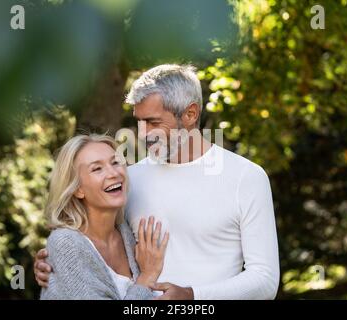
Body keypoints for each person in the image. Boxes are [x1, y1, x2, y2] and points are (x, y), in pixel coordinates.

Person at [35, 64, 280, 300]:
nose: (142, 134)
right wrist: (57, 261)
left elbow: (265, 280)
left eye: (153, 122)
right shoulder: (130, 179)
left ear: (190, 114)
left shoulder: (246, 177)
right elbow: (96, 241)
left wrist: (192, 296)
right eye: (138, 122)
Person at [40, 134, 169, 299]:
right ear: (77, 189)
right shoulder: (65, 243)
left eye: (115, 162)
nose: (113, 173)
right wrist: (147, 277)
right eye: (97, 169)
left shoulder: (128, 234)